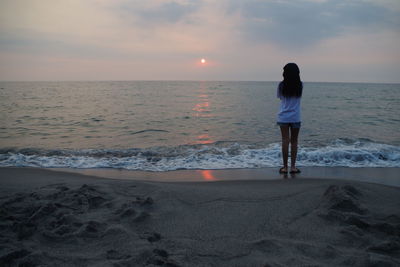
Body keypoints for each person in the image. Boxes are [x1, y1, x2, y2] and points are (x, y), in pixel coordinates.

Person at [277, 63, 302, 174]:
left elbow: (280, 98)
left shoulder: (281, 85)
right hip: (295, 116)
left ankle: (285, 167)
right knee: (294, 141)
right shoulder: (300, 85)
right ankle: (293, 167)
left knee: (285, 141)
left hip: (283, 116)